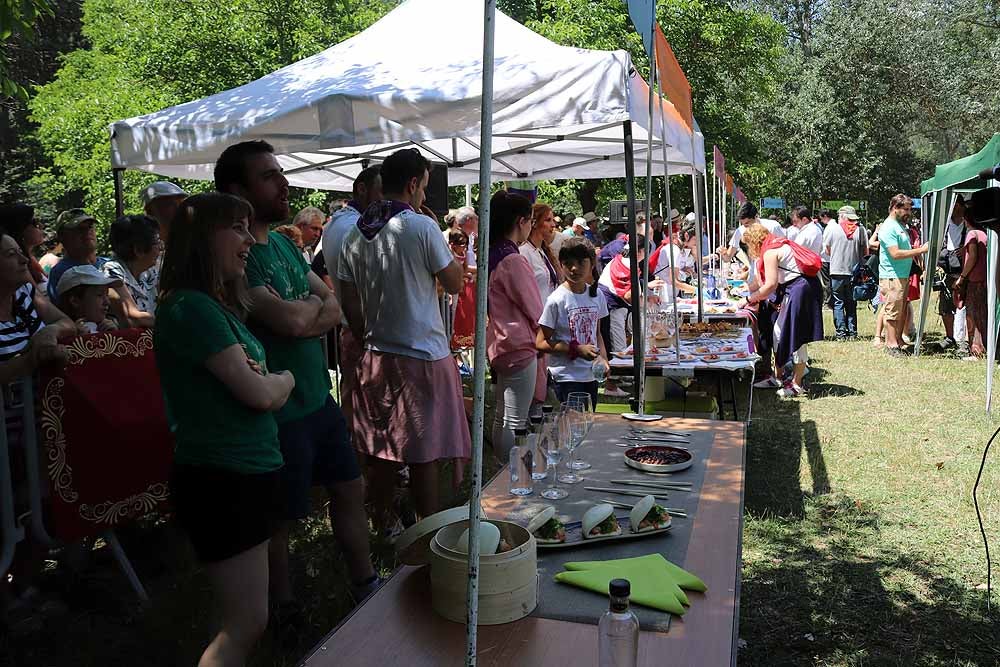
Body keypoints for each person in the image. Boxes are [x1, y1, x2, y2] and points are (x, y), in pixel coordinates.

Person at [214, 141, 378, 623]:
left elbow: (331, 307)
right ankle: (284, 610)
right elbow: (291, 321)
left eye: (280, 173)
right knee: (280, 519)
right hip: (276, 411)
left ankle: (366, 584)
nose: (283, 183)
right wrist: (309, 315)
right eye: (268, 176)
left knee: (349, 489)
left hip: (317, 402)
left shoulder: (285, 244)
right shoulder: (239, 261)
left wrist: (306, 315)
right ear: (237, 189)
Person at [154, 192, 294, 667]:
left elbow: (256, 383)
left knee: (241, 616)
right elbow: (259, 393)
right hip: (222, 479)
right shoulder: (190, 308)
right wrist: (286, 378)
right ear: (200, 238)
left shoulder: (212, 307)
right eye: (235, 228)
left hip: (243, 473)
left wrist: (267, 381)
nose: (248, 241)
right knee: (245, 622)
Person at [337, 148, 470, 532]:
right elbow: (454, 281)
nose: (425, 197)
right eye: (425, 187)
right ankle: (429, 531)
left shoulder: (354, 233)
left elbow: (349, 301)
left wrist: (369, 338)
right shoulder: (420, 226)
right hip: (422, 352)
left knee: (382, 446)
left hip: (377, 352)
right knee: (423, 452)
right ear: (413, 184)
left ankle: (382, 519)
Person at [0, 231, 76, 636]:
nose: (22, 260)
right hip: (5, 437)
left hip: (36, 429)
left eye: (20, 252)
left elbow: (65, 322)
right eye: (11, 255)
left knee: (42, 505)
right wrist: (29, 361)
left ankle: (24, 585)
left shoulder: (26, 299)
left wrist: (47, 334)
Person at [321, 166, 383, 427]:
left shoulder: (342, 222)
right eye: (383, 191)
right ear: (361, 189)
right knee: (367, 412)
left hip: (357, 328)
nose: (387, 200)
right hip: (362, 330)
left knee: (356, 404)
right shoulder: (354, 227)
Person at [486, 191, 545, 461]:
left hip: (500, 343)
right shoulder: (513, 259)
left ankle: (502, 467)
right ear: (521, 221)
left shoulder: (492, 253)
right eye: (531, 221)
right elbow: (534, 307)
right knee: (514, 419)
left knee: (503, 416)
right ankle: (508, 471)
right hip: (518, 344)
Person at [742, 224, 824, 398]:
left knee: (797, 335)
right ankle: (779, 376)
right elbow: (766, 283)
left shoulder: (771, 252)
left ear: (754, 242)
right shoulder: (776, 245)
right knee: (779, 333)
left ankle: (796, 383)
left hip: (801, 290)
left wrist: (748, 299)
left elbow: (770, 285)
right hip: (799, 288)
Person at [537, 236, 610, 408]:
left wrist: (603, 359)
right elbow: (540, 342)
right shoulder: (556, 300)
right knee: (570, 426)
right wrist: (574, 349)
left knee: (586, 424)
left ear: (592, 264)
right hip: (565, 377)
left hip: (590, 375)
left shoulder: (597, 295)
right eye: (568, 263)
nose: (574, 268)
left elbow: (597, 333)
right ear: (561, 265)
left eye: (580, 262)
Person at [877, 194, 928, 356]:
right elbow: (895, 254)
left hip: (902, 275)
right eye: (905, 209)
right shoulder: (888, 227)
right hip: (892, 276)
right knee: (892, 311)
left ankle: (898, 339)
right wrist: (921, 250)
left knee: (900, 310)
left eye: (909, 209)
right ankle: (891, 345)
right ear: (894, 208)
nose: (909, 213)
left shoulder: (899, 226)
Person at [103, 214, 162, 327]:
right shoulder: (112, 271)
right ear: (138, 250)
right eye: (157, 241)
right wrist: (175, 324)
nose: (160, 247)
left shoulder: (151, 271)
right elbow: (132, 317)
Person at [824, 205, 869, 340]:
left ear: (842, 216)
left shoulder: (832, 229)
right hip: (853, 272)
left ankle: (840, 333)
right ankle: (852, 332)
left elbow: (827, 249)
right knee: (851, 302)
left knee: (838, 302)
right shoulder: (860, 230)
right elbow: (866, 252)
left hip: (836, 271)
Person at [47, 209, 108, 302]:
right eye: (79, 229)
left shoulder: (109, 263)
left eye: (90, 226)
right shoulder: (63, 273)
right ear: (62, 236)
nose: (87, 231)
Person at [954, 203, 987, 360]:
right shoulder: (984, 233)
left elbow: (972, 257)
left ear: (967, 219)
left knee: (973, 316)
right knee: (982, 314)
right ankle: (984, 346)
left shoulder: (972, 234)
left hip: (974, 280)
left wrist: (962, 277)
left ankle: (976, 349)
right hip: (984, 279)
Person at [937, 196, 969, 354]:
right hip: (947, 270)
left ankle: (962, 340)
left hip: (964, 270)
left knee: (962, 306)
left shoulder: (969, 224)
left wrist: (965, 249)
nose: (955, 209)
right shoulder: (944, 225)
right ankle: (950, 337)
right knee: (945, 306)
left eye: (957, 205)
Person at [716, 202, 785, 266]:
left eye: (747, 223)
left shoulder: (772, 226)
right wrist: (724, 253)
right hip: (755, 273)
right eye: (742, 224)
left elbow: (785, 249)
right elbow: (727, 258)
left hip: (776, 269)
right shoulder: (740, 231)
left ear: (756, 216)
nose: (745, 227)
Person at [56, 266, 121, 333]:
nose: (107, 302)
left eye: (107, 295)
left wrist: (115, 335)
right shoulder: (61, 337)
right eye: (99, 295)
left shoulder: (109, 327)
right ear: (75, 301)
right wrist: (77, 340)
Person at [520, 202, 561, 303]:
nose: (553, 225)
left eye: (553, 220)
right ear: (534, 223)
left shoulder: (543, 251)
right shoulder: (523, 253)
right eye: (548, 220)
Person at [0, 204, 47, 286]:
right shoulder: (20, 267)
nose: (41, 225)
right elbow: (38, 297)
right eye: (34, 222)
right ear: (21, 230)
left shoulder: (31, 260)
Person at [818, 209, 836, 308]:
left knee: (827, 282)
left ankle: (829, 301)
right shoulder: (836, 226)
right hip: (832, 258)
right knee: (831, 281)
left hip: (826, 258)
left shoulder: (829, 228)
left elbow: (826, 244)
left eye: (822, 219)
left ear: (825, 216)